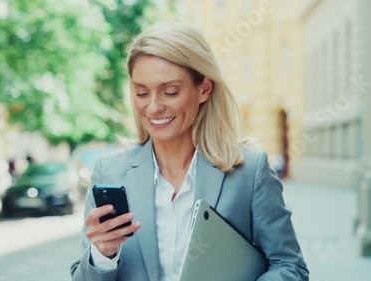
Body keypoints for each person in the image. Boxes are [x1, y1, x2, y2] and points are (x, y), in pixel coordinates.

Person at [70, 22, 308, 281]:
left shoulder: (250, 171)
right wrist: (103, 254)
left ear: (204, 89)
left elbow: (290, 267)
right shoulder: (110, 171)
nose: (153, 107)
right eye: (141, 93)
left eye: (169, 92)